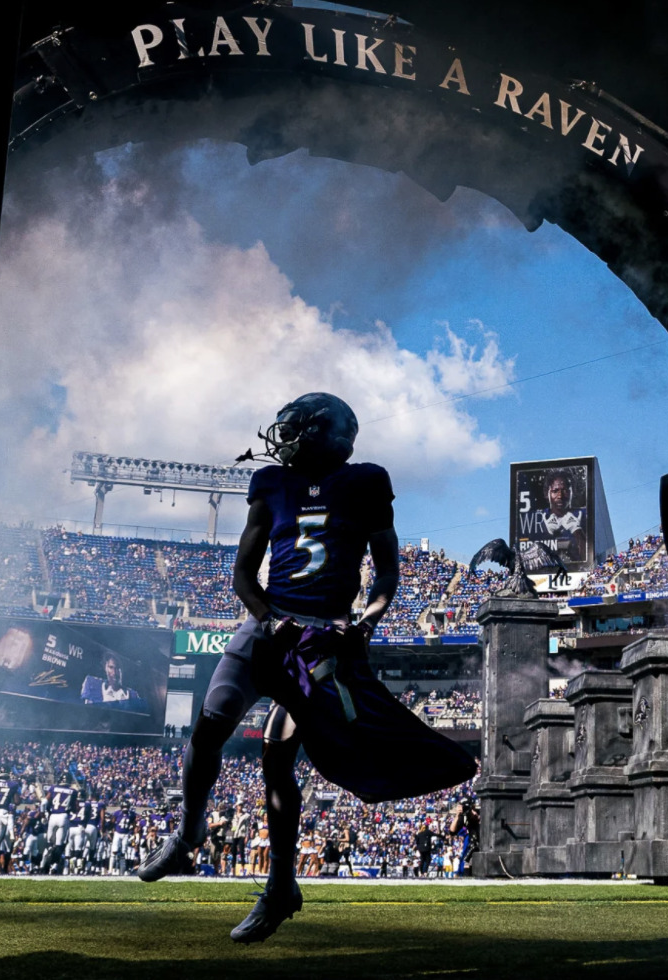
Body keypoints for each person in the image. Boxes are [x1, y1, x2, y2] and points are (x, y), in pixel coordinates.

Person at [136, 392, 476, 943]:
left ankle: (281, 886)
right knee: (211, 722)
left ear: (325, 432)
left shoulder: (365, 481)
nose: (284, 438)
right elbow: (243, 577)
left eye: (294, 428)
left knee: (276, 764)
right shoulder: (270, 482)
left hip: (322, 642)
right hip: (270, 627)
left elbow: (386, 574)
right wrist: (269, 619)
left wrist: (363, 625)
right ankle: (188, 830)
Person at [542, 469, 588, 563]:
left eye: (565, 490)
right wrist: (546, 533)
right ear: (547, 494)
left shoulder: (584, 514)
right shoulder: (538, 517)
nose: (560, 496)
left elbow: (589, 557)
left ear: (572, 492)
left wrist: (577, 531)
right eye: (555, 491)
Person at [80, 654, 147, 711]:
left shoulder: (133, 695)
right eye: (111, 667)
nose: (114, 672)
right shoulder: (92, 685)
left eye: (117, 668)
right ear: (105, 668)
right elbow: (87, 712)